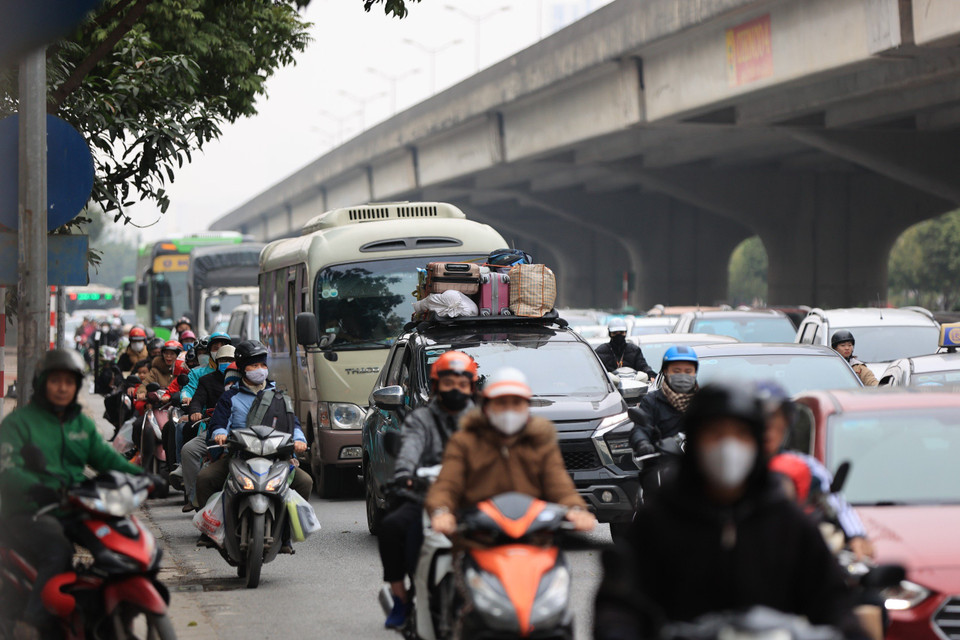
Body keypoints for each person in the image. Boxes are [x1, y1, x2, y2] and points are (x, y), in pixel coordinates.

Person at [593, 383, 867, 640]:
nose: (728, 446)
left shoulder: (787, 521)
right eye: (715, 434)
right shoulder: (658, 520)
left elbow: (832, 600)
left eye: (740, 435)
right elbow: (619, 606)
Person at [0, 350, 147, 639]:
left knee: (119, 546)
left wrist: (147, 478)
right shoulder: (18, 424)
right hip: (28, 510)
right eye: (55, 381)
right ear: (41, 383)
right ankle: (31, 624)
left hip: (73, 505)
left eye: (69, 382)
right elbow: (7, 469)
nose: (63, 387)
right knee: (58, 551)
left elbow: (107, 459)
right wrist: (35, 486)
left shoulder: (80, 424)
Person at [426, 367, 596, 536]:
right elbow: (447, 485)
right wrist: (441, 511)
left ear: (527, 408)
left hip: (534, 542)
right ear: (486, 407)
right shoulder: (464, 442)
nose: (509, 410)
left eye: (516, 403)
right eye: (501, 403)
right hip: (478, 541)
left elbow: (560, 486)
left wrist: (575, 509)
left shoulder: (540, 443)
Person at [379, 351, 478, 629]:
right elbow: (410, 447)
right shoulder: (420, 419)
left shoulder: (482, 422)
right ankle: (400, 598)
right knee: (392, 527)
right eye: (448, 384)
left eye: (462, 384)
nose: (455, 390)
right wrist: (405, 474)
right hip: (424, 496)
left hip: (471, 501)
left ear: (471, 386)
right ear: (436, 387)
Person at [195, 340, 312, 550]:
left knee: (305, 482)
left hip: (275, 458)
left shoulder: (279, 397)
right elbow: (218, 424)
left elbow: (292, 423)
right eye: (253, 365)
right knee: (205, 478)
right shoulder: (230, 397)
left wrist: (300, 441)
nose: (260, 370)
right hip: (239, 456)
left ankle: (284, 533)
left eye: (262, 365)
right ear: (242, 369)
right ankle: (209, 532)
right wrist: (220, 435)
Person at [756, 381, 875, 560]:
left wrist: (856, 536)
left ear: (786, 422)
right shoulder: (727, 469)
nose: (767, 427)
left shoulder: (807, 467)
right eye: (759, 417)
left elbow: (836, 504)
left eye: (774, 417)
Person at [180, 345, 236, 511]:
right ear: (215, 362)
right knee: (188, 450)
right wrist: (196, 411)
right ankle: (193, 496)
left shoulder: (245, 382)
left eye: (230, 360)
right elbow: (197, 400)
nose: (226, 363)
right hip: (214, 428)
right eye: (222, 360)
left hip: (243, 433)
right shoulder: (207, 380)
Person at [629, 345, 699, 457]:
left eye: (688, 371)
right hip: (661, 463)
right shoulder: (651, 401)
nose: (682, 376)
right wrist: (643, 444)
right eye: (676, 371)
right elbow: (640, 429)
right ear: (666, 371)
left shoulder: (704, 402)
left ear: (695, 372)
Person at [181, 332, 232, 404]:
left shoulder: (237, 370)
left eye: (223, 348)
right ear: (209, 351)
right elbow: (188, 389)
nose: (220, 351)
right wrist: (186, 397)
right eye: (216, 348)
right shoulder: (196, 372)